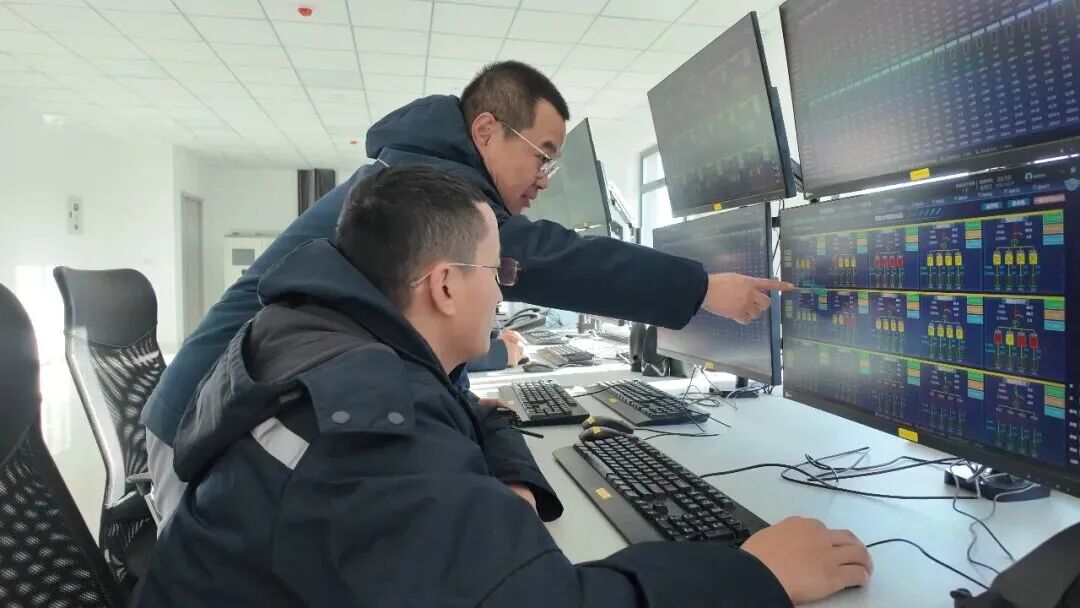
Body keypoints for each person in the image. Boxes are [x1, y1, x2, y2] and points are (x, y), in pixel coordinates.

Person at [133, 167, 870, 607]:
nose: (504, 291)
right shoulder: (364, 429)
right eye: (499, 272)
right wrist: (754, 576)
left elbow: (463, 407)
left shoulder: (333, 343)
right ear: (445, 285)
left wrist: (509, 482)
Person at [142, 60, 792, 523]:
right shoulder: (429, 189)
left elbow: (410, 337)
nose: (545, 176)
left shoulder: (414, 169)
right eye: (541, 154)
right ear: (485, 131)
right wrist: (702, 288)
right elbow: (547, 257)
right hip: (216, 422)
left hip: (237, 404)